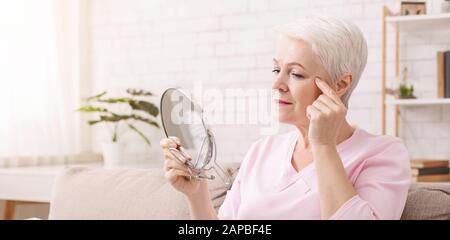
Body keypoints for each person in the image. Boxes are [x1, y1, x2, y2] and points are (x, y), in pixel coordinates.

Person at [160, 17, 411, 220]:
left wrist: (324, 145)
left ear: (340, 84)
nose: (277, 84)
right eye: (276, 69)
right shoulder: (263, 151)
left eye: (296, 74)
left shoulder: (384, 155)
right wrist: (197, 195)